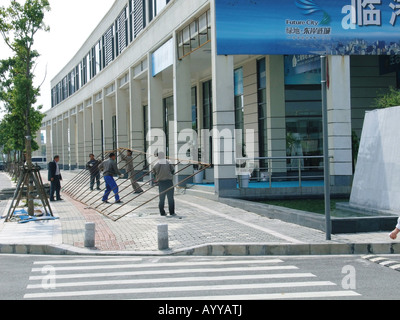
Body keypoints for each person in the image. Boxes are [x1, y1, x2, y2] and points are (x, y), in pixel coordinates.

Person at [152, 151, 175, 216]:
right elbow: (173, 170)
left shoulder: (156, 164)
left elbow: (153, 173)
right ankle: (172, 212)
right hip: (169, 181)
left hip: (161, 182)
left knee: (161, 198)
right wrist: (171, 174)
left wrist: (156, 179)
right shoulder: (168, 162)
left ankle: (162, 212)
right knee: (170, 198)